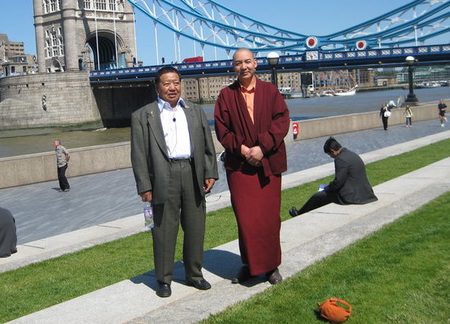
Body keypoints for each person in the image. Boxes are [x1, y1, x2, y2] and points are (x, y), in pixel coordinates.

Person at [130, 66, 218, 298]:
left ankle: (194, 274)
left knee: (195, 227)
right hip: (162, 175)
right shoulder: (142, 116)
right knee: (163, 230)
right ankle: (164, 279)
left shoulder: (195, 111)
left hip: (192, 172)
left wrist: (210, 172)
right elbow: (138, 155)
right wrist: (144, 186)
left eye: (176, 82)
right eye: (167, 83)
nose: (172, 87)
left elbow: (208, 146)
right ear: (157, 86)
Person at [214, 48, 290, 285]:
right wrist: (244, 150)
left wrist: (262, 148)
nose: (244, 67)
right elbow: (222, 130)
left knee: (269, 220)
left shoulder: (271, 91)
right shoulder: (226, 95)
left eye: (248, 61)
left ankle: (271, 267)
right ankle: (250, 264)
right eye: (239, 63)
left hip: (268, 163)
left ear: (255, 63)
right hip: (240, 166)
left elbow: (282, 121)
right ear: (233, 67)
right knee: (246, 220)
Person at [289, 137, 378, 216]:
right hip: (366, 193)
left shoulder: (340, 159)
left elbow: (338, 182)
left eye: (330, 155)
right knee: (324, 195)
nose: (331, 157)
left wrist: (327, 188)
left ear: (333, 151)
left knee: (318, 196)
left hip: (352, 196)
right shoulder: (351, 154)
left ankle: (299, 213)